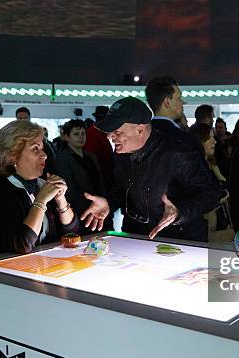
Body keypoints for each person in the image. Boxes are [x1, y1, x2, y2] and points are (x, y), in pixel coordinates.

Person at [81, 97, 221, 242]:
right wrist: (109, 203)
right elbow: (122, 189)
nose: (110, 136)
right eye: (109, 132)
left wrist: (179, 212)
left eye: (117, 131)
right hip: (136, 238)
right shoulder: (121, 154)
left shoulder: (177, 152)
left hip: (179, 241)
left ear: (140, 130)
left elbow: (211, 193)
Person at [0, 120, 78, 256]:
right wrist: (41, 201)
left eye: (42, 148)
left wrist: (61, 200)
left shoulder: (41, 184)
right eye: (35, 148)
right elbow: (22, 244)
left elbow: (71, 232)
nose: (44, 155)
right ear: (12, 156)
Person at [55, 119, 109, 234]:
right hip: (80, 212)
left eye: (83, 133)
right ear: (66, 137)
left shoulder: (91, 156)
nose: (81, 137)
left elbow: (101, 182)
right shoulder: (62, 159)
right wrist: (89, 207)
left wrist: (105, 202)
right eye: (76, 134)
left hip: (100, 208)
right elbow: (70, 190)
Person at [189, 123, 232, 241]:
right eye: (209, 138)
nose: (215, 142)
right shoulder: (195, 168)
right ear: (199, 141)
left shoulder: (211, 164)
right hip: (208, 225)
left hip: (219, 221)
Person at [145, 75, 201, 153]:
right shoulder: (185, 141)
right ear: (167, 102)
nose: (183, 102)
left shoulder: (139, 139)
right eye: (178, 98)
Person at [85, 106, 114, 190]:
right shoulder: (92, 132)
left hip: (107, 173)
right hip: (101, 176)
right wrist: (99, 175)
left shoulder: (104, 132)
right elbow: (90, 154)